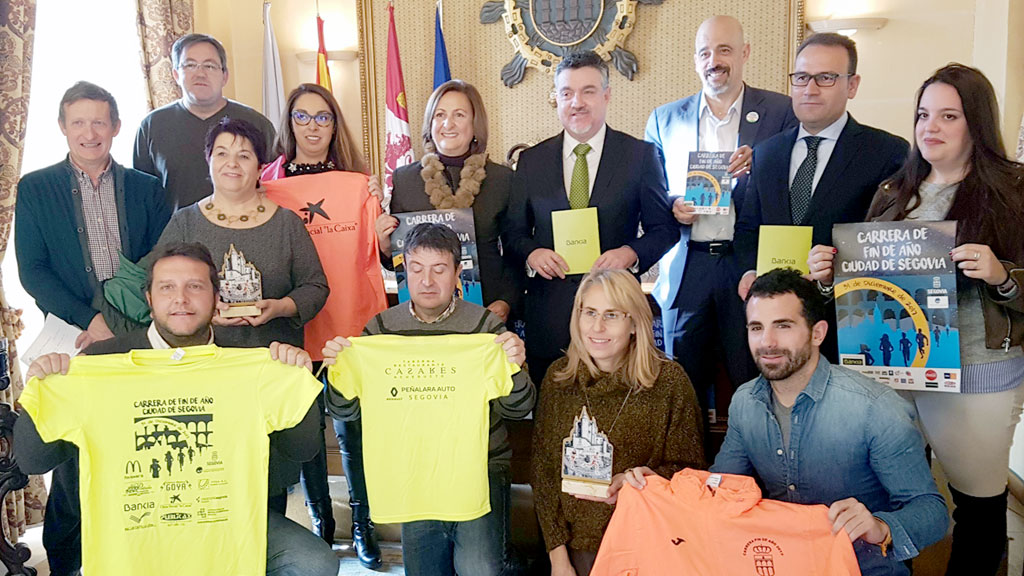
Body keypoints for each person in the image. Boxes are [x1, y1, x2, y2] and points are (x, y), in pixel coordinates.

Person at [806, 63, 1024, 575]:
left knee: (977, 503)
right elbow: (867, 288)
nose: (931, 126)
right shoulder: (893, 191)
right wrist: (827, 275)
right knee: (887, 494)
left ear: (977, 122)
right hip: (891, 374)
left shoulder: (1012, 191)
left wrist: (1001, 273)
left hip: (974, 375)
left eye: (949, 115)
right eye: (924, 114)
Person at [14, 242, 339, 576]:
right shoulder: (102, 362)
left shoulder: (250, 360)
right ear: (150, 300)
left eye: (195, 287)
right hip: (130, 530)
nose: (180, 299)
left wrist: (293, 378)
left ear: (216, 299)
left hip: (224, 519)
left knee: (315, 563)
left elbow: (302, 449)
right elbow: (32, 460)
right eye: (167, 287)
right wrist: (44, 387)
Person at [14, 81, 171, 576]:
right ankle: (66, 563)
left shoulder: (147, 189)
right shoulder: (35, 188)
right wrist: (91, 319)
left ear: (116, 127)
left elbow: (163, 260)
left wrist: (131, 320)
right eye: (78, 122)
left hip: (139, 339)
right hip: (73, 339)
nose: (89, 132)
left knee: (137, 447)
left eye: (99, 121)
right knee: (74, 458)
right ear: (62, 127)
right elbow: (33, 271)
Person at [322, 223, 536, 576]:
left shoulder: (485, 329)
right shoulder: (381, 331)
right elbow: (344, 410)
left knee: (480, 569)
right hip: (413, 469)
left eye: (439, 270)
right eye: (417, 269)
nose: (426, 281)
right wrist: (340, 372)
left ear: (457, 272)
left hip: (479, 466)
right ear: (404, 268)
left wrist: (514, 366)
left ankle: (507, 561)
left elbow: (519, 408)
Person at [712, 269, 948, 575]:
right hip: (778, 563)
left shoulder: (875, 408)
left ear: (817, 333)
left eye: (783, 326)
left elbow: (932, 512)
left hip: (862, 567)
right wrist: (654, 488)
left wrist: (880, 526)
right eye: (756, 327)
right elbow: (720, 487)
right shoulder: (745, 401)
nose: (767, 342)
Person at [157, 117, 328, 516]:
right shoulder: (184, 222)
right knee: (206, 478)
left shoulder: (286, 223)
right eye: (222, 153)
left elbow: (315, 287)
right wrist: (201, 314)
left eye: (244, 155)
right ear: (209, 161)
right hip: (200, 375)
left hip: (269, 370)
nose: (232, 163)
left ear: (259, 165)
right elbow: (159, 289)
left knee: (267, 483)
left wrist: (279, 307)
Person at [260, 82, 384, 566]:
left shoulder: (358, 183)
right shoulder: (266, 183)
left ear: (335, 124)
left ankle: (363, 525)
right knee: (307, 435)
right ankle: (321, 524)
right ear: (289, 124)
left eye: (323, 117)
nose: (313, 126)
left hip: (348, 328)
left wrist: (378, 209)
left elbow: (386, 252)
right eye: (302, 117)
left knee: (353, 432)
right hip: (292, 332)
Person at [645, 17, 796, 407]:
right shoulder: (664, 119)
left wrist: (762, 159)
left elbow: (796, 185)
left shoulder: (782, 112)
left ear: (744, 53)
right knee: (683, 382)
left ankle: (758, 465)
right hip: (688, 264)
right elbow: (650, 194)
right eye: (705, 52)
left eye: (725, 50)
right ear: (695, 60)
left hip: (749, 262)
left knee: (755, 375)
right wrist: (672, 206)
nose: (715, 60)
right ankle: (688, 466)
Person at [507, 51, 679, 384]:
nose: (577, 102)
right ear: (556, 98)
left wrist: (630, 254)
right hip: (550, 319)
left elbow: (665, 229)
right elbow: (512, 233)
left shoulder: (640, 156)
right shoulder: (531, 161)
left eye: (588, 91)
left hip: (616, 321)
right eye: (567, 93)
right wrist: (532, 254)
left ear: (606, 95)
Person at [531, 269, 704, 576]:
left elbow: (689, 472)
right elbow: (544, 475)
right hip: (576, 549)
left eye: (612, 315)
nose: (597, 327)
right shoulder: (559, 379)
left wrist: (640, 481)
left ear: (635, 323)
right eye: (590, 313)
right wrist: (558, 559)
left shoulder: (669, 382)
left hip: (647, 544)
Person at [735, 33, 908, 301]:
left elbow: (888, 243)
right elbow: (748, 229)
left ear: (852, 85)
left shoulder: (886, 152)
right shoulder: (766, 153)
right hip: (778, 311)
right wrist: (748, 272)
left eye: (826, 78)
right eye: (802, 77)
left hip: (850, 313)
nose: (810, 89)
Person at [376, 79, 524, 324]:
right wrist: (383, 245)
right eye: (440, 115)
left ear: (475, 123)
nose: (448, 124)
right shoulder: (405, 180)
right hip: (424, 314)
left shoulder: (503, 179)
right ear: (430, 123)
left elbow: (515, 250)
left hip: (488, 310)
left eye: (459, 114)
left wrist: (507, 301)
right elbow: (400, 260)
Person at [134, 33, 276, 209]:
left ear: (225, 76)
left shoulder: (256, 124)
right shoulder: (152, 126)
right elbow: (143, 195)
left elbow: (276, 185)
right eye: (190, 65)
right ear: (176, 74)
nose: (200, 74)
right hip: (176, 234)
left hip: (247, 230)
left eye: (209, 66)